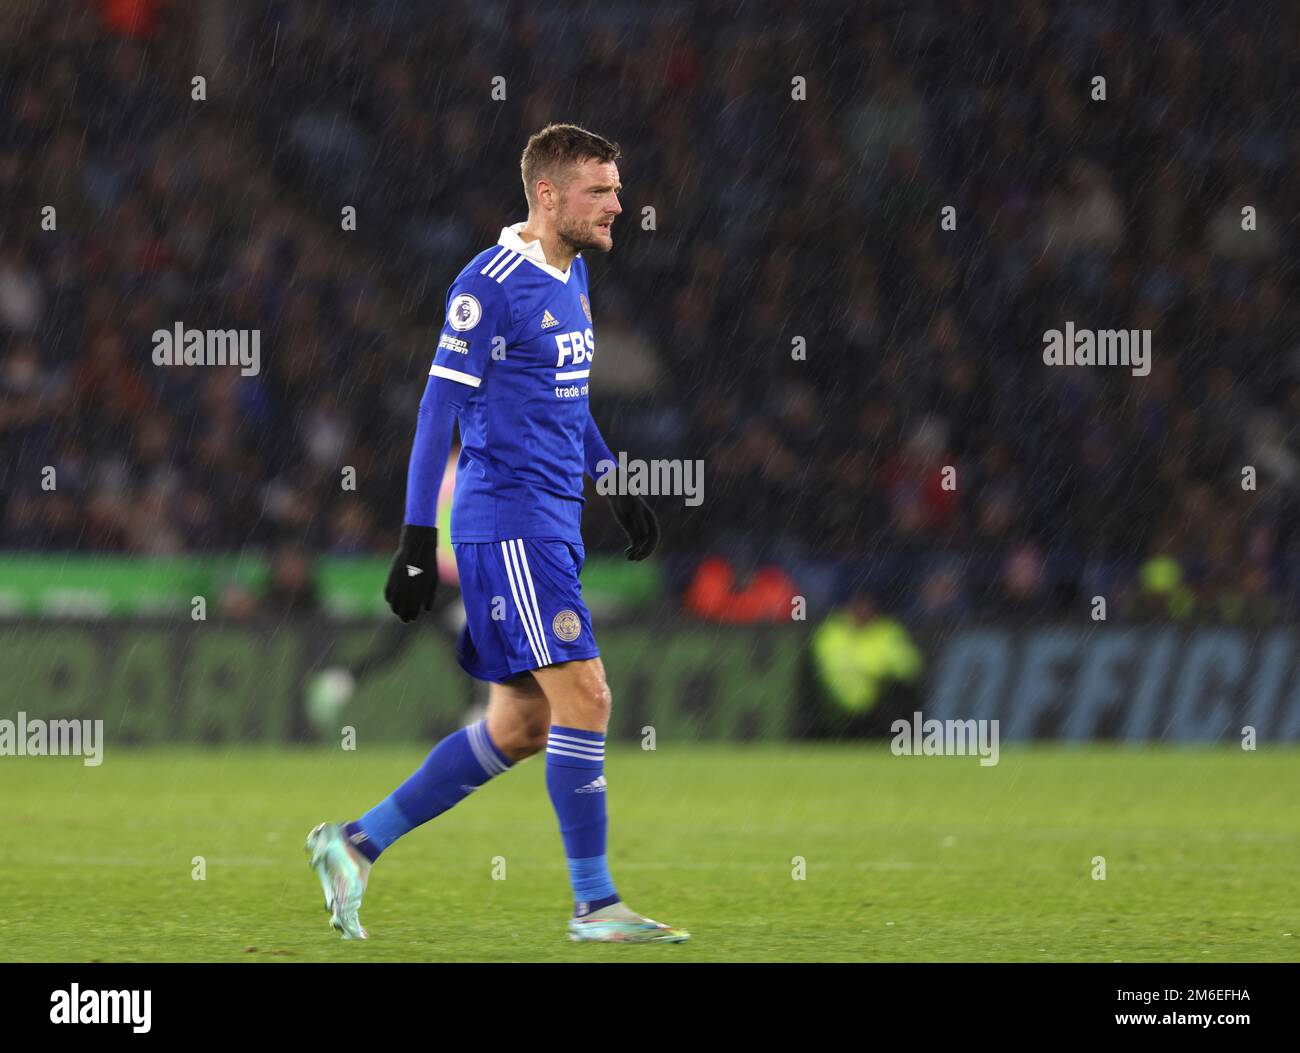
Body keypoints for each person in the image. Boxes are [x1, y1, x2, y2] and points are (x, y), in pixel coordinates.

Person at [307, 123, 687, 944]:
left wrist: (613, 481)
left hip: (551, 523)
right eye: (600, 190)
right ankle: (596, 903)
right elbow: (436, 410)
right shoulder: (489, 283)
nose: (619, 204)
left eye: (617, 188)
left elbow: (567, 392)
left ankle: (353, 843)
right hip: (507, 525)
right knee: (588, 695)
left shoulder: (572, 273)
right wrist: (414, 541)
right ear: (547, 196)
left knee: (521, 726)